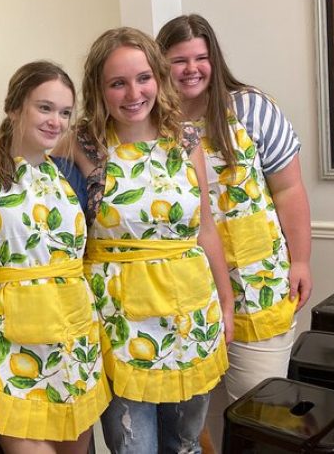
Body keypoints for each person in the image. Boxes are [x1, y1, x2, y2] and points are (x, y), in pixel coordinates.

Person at [60, 27, 234, 454]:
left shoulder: (185, 139)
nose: (133, 93)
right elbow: (26, 161)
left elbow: (205, 228)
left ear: (158, 76)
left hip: (191, 316)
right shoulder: (81, 144)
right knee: (133, 448)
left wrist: (226, 303)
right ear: (99, 90)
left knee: (185, 444)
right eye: (117, 83)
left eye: (142, 78)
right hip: (117, 323)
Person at [156, 14, 312, 451]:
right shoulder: (152, 122)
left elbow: (289, 188)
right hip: (187, 295)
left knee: (262, 417)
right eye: (179, 59)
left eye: (201, 57)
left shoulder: (251, 108)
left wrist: (300, 259)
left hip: (255, 286)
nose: (192, 68)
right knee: (200, 419)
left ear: (214, 59)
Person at [0, 61, 110, 454]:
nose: (56, 121)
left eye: (63, 112)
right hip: (13, 350)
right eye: (44, 108)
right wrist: (0, 257)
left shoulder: (69, 171)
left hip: (73, 344)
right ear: (14, 108)